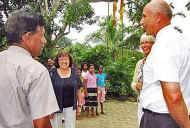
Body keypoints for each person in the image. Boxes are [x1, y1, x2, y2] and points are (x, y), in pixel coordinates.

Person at [0, 8, 59, 128]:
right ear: (27, 37)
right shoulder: (36, 71)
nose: (44, 41)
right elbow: (41, 124)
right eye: (42, 35)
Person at [139, 0, 190, 128]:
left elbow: (174, 96)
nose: (141, 22)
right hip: (169, 117)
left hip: (162, 119)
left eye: (144, 16)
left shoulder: (164, 45)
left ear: (158, 17)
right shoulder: (177, 39)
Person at [50, 51, 82, 128]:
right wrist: (49, 109)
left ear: (70, 60)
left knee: (70, 126)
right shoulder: (52, 73)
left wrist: (79, 106)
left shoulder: (74, 72)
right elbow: (48, 91)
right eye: (61, 59)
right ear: (57, 61)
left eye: (66, 59)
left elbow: (78, 90)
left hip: (71, 107)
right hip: (55, 108)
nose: (64, 61)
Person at [131, 33, 155, 125]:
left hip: (155, 106)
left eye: (147, 42)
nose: (144, 45)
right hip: (141, 101)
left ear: (153, 44)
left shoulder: (158, 61)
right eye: (142, 43)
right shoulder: (140, 63)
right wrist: (136, 85)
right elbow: (133, 82)